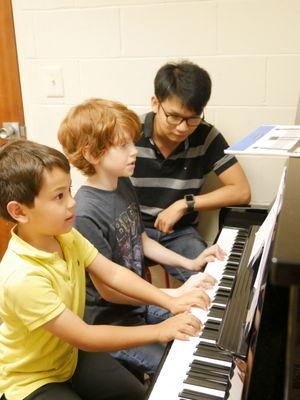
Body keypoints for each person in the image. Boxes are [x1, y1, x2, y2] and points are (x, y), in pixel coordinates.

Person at [0, 139, 210, 400]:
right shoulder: (21, 277)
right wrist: (160, 330)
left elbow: (113, 273)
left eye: (69, 190)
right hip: (32, 379)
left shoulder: (65, 236)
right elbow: (85, 335)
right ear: (19, 211)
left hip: (69, 355)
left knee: (136, 395)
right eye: (58, 196)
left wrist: (170, 301)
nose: (72, 203)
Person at [57, 98, 226, 377]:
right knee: (178, 369)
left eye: (132, 143)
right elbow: (109, 290)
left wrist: (191, 263)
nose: (134, 151)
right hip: (112, 326)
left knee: (201, 327)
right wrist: (173, 295)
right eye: (123, 145)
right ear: (92, 154)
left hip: (138, 311)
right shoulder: (85, 213)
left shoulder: (122, 183)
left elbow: (142, 240)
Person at [131, 60, 251, 282]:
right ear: (155, 103)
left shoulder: (205, 135)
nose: (182, 128)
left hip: (180, 232)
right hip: (133, 232)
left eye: (192, 118)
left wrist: (184, 204)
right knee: (119, 288)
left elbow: (241, 191)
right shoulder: (129, 132)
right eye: (174, 116)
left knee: (213, 280)